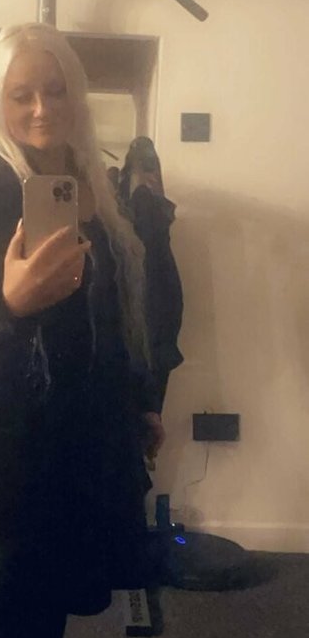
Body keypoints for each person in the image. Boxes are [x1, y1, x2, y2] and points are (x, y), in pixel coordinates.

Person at [0, 23, 163, 638]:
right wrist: (6, 301)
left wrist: (140, 404)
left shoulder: (87, 175)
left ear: (75, 92)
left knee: (42, 610)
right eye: (22, 95)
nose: (41, 107)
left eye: (55, 89)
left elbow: (111, 315)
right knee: (17, 614)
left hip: (86, 430)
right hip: (25, 438)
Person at [118, 137, 184, 444]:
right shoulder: (139, 208)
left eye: (152, 167)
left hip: (156, 328)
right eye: (145, 167)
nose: (150, 175)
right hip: (149, 328)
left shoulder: (148, 209)